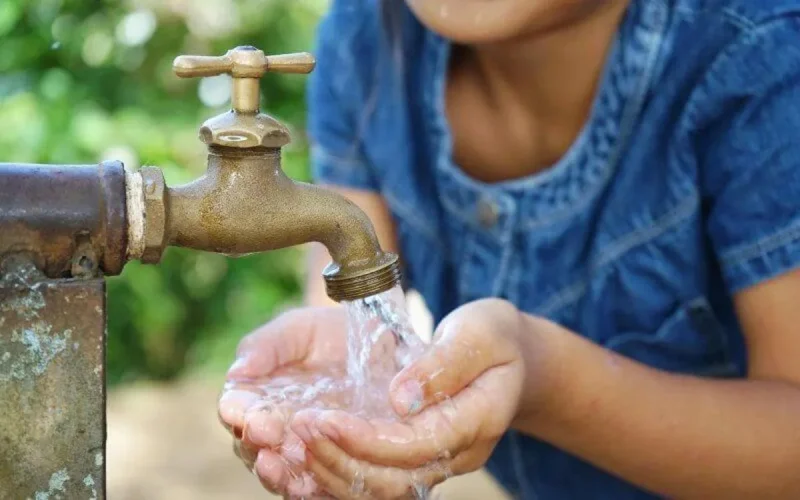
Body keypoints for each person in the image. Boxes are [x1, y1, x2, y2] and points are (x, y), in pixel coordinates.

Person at [219, 0, 800, 498]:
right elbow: (352, 272)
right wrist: (339, 402)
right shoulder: (371, 37)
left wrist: (546, 379)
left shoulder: (762, 58)